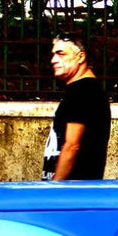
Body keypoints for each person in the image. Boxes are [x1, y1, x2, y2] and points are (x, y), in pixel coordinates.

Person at [41, 32, 111, 181]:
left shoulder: (83, 92)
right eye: (53, 54)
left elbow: (72, 145)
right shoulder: (83, 89)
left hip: (71, 192)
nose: (54, 60)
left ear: (80, 57)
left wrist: (53, 190)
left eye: (61, 54)